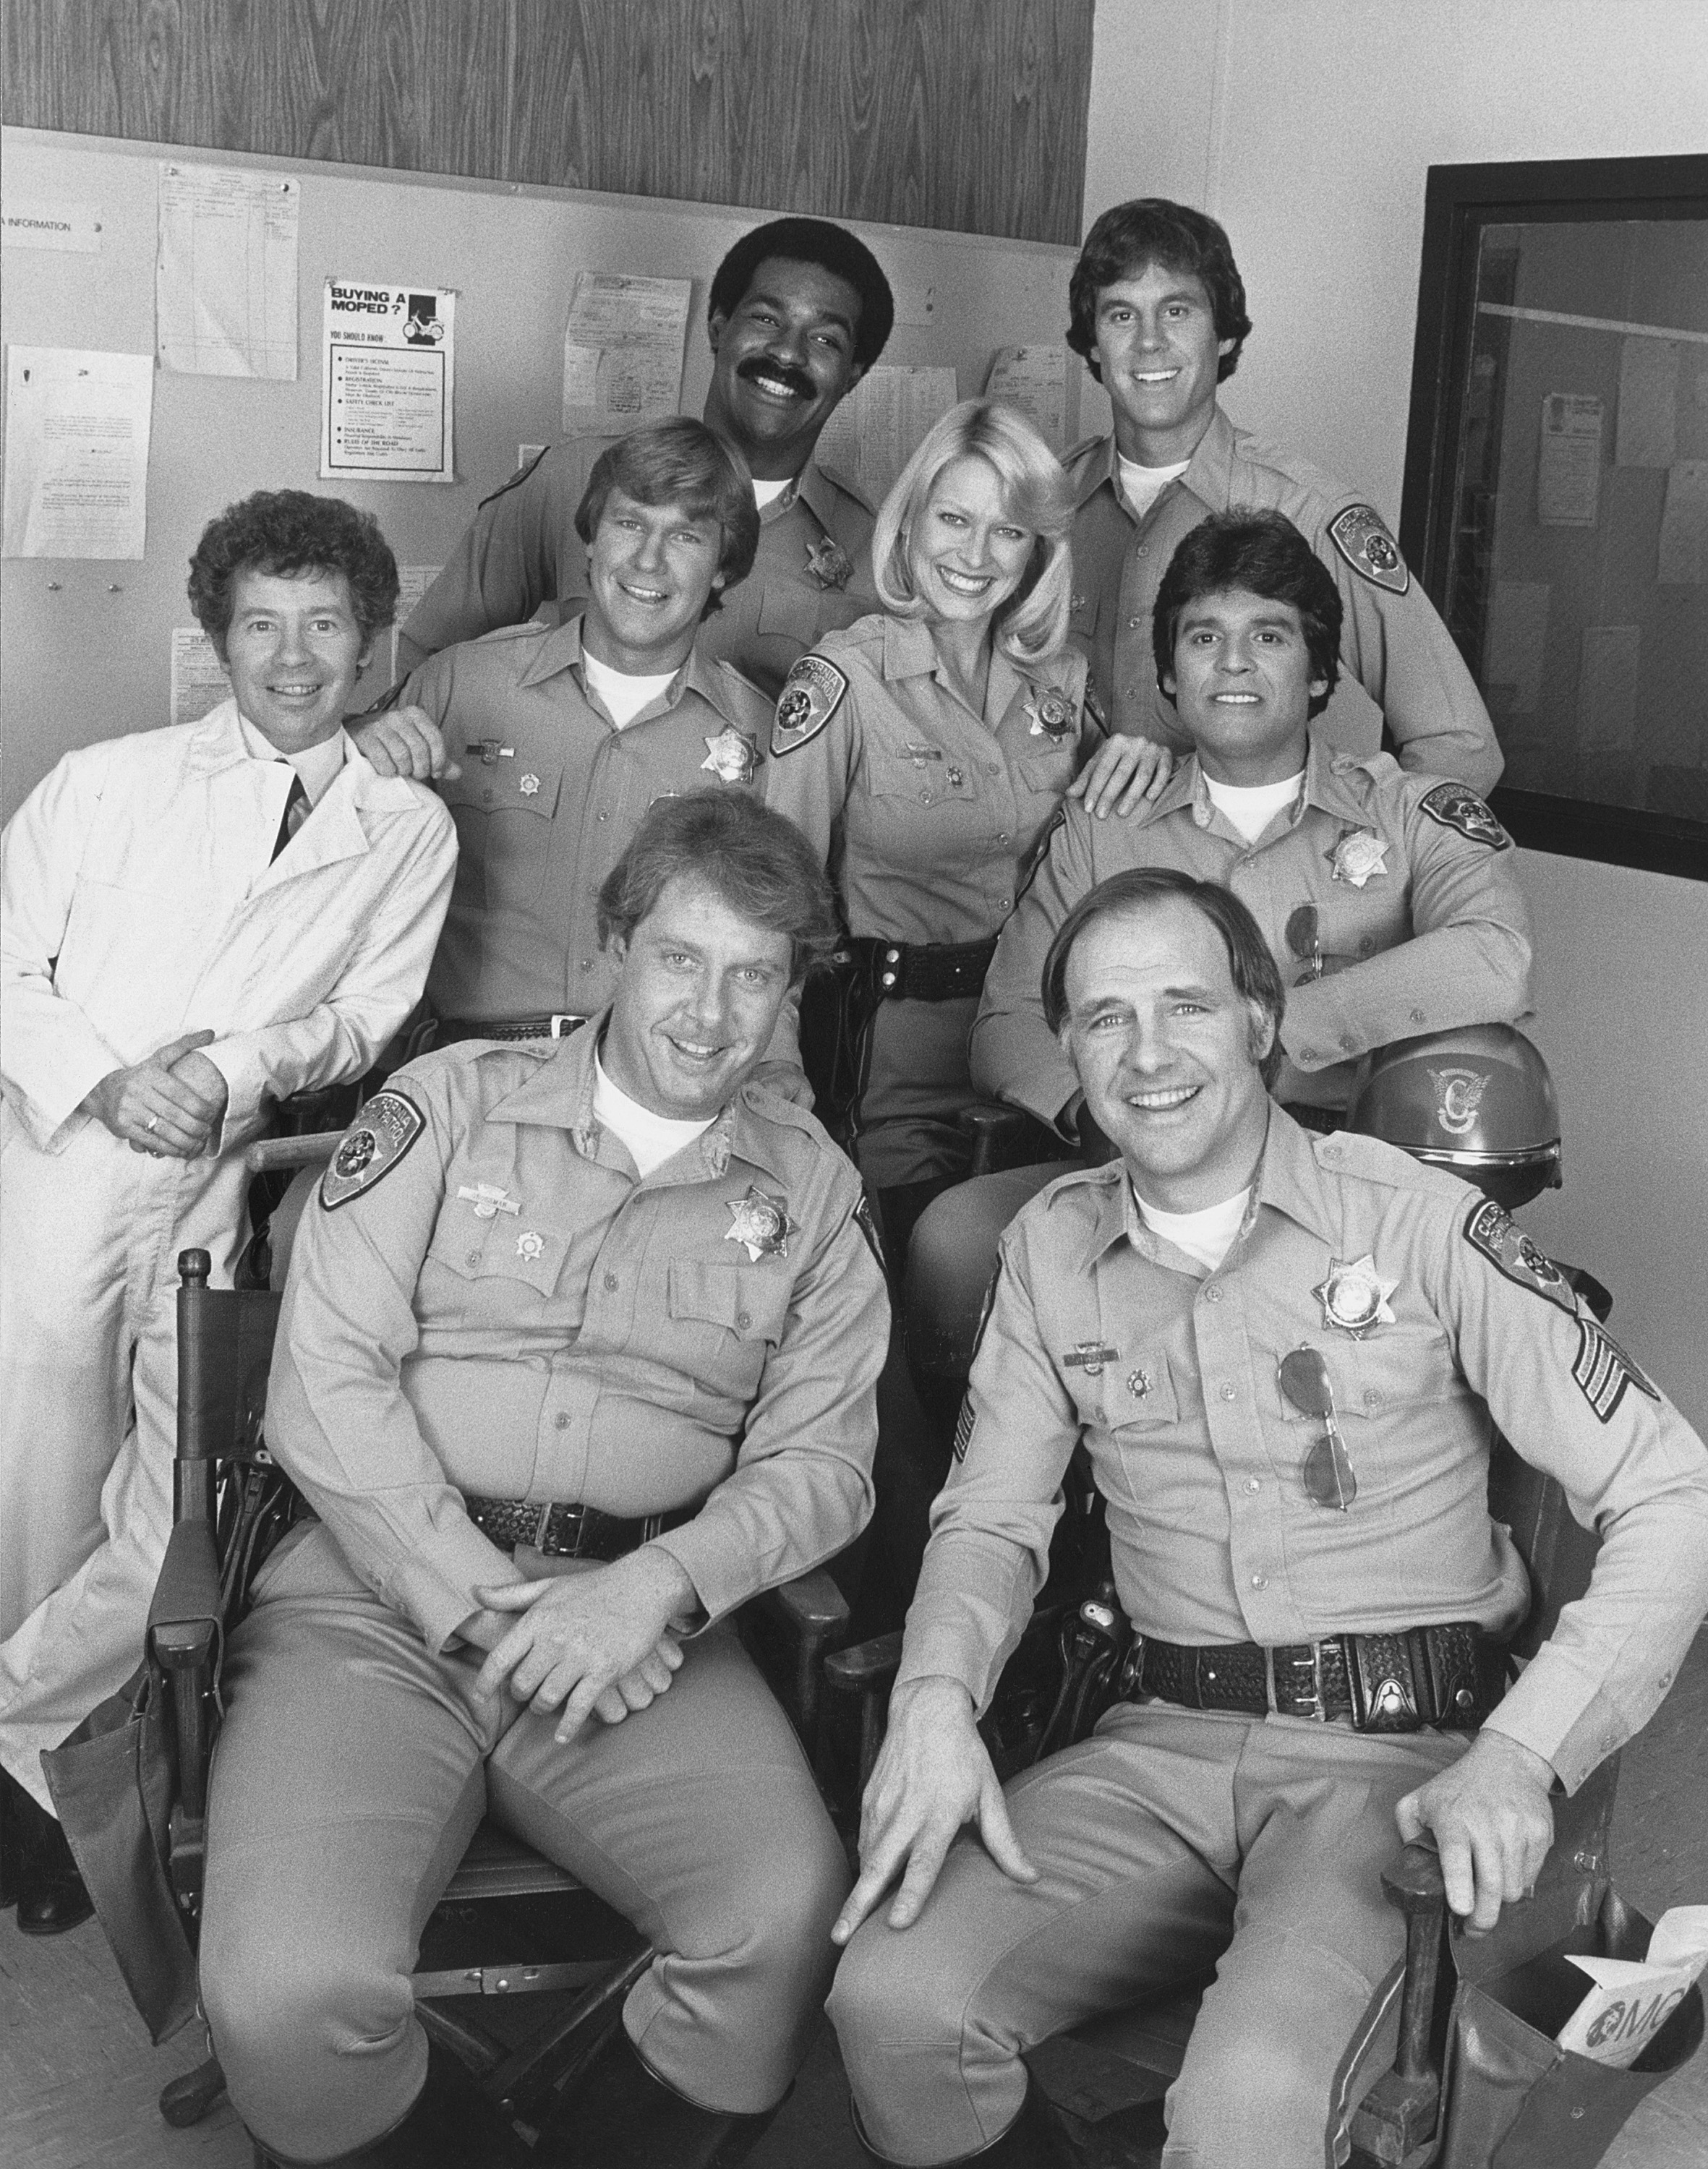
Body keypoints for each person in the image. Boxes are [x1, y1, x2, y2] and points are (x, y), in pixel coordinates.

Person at [827, 868, 1708, 2169]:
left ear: (1256, 1018)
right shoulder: (1049, 1248)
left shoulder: (1416, 1223)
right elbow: (989, 1519)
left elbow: (1669, 1492)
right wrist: (932, 1701)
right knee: (890, 2002)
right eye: (1103, 1017)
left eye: (1183, 1004)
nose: (1146, 1052)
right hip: (1159, 1737)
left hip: (1388, 1763)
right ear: (1066, 1049)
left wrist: (1523, 1752)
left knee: (1248, 2105)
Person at [196, 794, 889, 2169]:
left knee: (782, 1922)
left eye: (755, 975)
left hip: (630, 1633)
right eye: (681, 960)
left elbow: (827, 1462)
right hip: (372, 1609)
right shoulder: (443, 1107)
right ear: (615, 946)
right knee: (285, 1995)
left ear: (789, 993)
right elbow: (323, 1381)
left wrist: (658, 1588)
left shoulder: (807, 1189)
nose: (710, 1012)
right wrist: (475, 1602)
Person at [899, 507, 1532, 1598]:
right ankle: (1015, 1561)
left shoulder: (1409, 811)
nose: (1232, 663)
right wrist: (1124, 1113)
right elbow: (1007, 1017)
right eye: (1202, 637)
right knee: (954, 1239)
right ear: (1172, 674)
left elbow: (1495, 959)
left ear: (1321, 669)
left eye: (1269, 635)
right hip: (1133, 1166)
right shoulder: (1110, 827)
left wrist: (1268, 1039)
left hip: (1339, 1177)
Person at [0, 491, 456, 1931]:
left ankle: (28, 1749)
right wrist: (108, 1082)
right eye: (261, 623)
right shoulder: (104, 780)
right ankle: (49, 1807)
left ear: (372, 641)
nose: (294, 656)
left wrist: (236, 1068)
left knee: (170, 1509)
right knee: (37, 1489)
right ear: (215, 634)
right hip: (63, 1163)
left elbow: (367, 1015)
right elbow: (8, 970)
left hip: (222, 1181)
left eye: (326, 624)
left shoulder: (407, 829)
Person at [764, 397, 1164, 1260]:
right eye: (952, 518)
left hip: (1032, 1046)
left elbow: (1113, 853)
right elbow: (768, 904)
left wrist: (1143, 759)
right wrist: (774, 1080)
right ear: (908, 524)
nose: (975, 555)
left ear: (1038, 552)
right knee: (917, 1290)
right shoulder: (845, 680)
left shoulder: (1061, 684)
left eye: (1008, 531)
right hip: (882, 1068)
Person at [1062, 198, 1503, 792]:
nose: (1148, 343)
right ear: (1092, 344)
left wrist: (1333, 849)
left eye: (1176, 311)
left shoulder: (1310, 513)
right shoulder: (1039, 504)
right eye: (1120, 316)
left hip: (1225, 880)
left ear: (1223, 335)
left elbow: (1462, 750)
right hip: (1062, 876)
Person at [359, 416, 773, 1041]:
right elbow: (338, 864)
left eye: (685, 537)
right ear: (590, 539)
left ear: (723, 567)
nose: (648, 561)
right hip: (465, 1073)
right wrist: (356, 735)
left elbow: (774, 953)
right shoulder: (458, 686)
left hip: (649, 1075)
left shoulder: (759, 736)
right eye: (629, 523)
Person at [394, 216, 894, 698]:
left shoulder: (874, 551)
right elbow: (432, 657)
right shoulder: (578, 476)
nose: (788, 354)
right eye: (766, 318)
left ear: (854, 373)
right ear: (719, 327)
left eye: (826, 339)